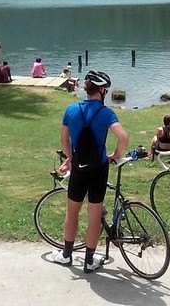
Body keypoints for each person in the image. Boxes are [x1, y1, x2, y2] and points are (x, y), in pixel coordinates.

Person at [51, 70, 129, 274]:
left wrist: (71, 158)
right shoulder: (106, 113)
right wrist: (115, 155)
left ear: (87, 89)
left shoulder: (71, 109)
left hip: (78, 168)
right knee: (94, 216)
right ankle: (89, 260)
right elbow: (123, 138)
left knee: (72, 211)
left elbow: (64, 140)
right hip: (99, 169)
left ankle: (67, 256)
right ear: (102, 90)